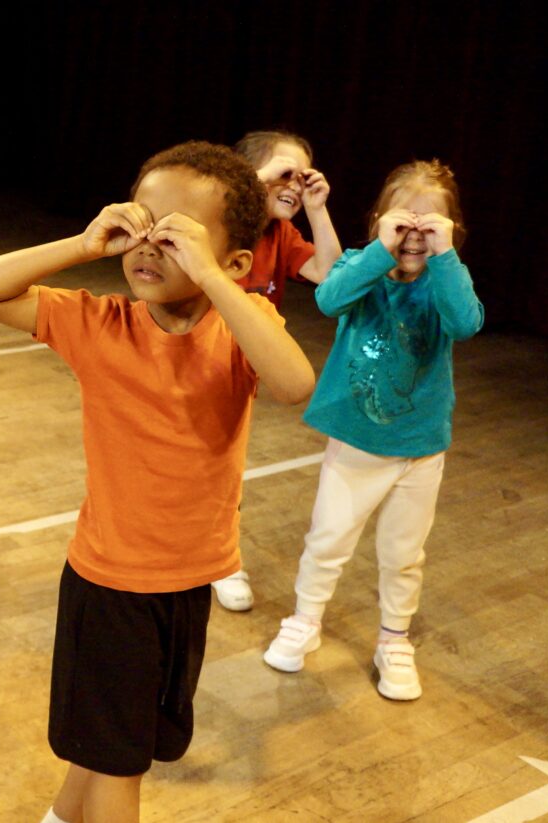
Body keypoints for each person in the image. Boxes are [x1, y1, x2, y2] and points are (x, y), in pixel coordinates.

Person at [0, 141, 315, 823]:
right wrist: (83, 242)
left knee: (119, 735)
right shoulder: (100, 322)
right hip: (112, 581)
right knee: (121, 759)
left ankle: (62, 814)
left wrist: (214, 280)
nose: (150, 244)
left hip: (188, 578)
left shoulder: (240, 327)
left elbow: (295, 383)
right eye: (143, 223)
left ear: (233, 261)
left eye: (179, 236)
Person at [262, 160, 483, 701]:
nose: (415, 238)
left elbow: (466, 323)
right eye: (404, 224)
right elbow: (328, 298)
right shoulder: (363, 266)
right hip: (357, 441)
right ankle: (306, 619)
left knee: (404, 553)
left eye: (431, 228)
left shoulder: (445, 280)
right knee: (329, 537)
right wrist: (380, 250)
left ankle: (394, 638)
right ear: (380, 221)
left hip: (419, 449)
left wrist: (446, 255)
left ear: (451, 234)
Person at [211, 129, 343, 612]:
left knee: (225, 468)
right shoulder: (216, 218)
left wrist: (316, 208)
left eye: (302, 173)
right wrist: (250, 183)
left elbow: (331, 277)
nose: (293, 182)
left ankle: (221, 560)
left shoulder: (281, 234)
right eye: (282, 172)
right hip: (186, 364)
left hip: (237, 376)